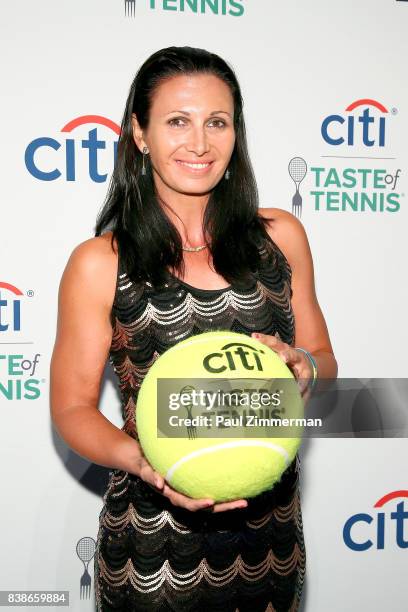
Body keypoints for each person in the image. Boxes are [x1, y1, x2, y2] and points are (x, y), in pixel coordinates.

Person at [50, 46, 337, 612]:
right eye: (177, 121)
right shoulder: (100, 262)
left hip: (270, 543)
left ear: (236, 131)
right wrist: (143, 464)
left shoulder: (281, 237)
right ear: (139, 132)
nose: (200, 143)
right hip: (154, 550)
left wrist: (303, 363)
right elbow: (72, 410)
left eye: (217, 122)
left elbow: (323, 358)